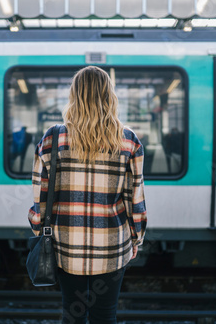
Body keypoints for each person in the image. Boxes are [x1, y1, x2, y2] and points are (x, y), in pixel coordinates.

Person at [28, 66, 148, 324]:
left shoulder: (53, 137)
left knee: (73, 313)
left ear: (74, 95)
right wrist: (136, 238)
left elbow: (39, 195)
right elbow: (134, 199)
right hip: (112, 244)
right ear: (109, 96)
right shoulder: (129, 141)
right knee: (105, 315)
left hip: (65, 243)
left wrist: (40, 232)